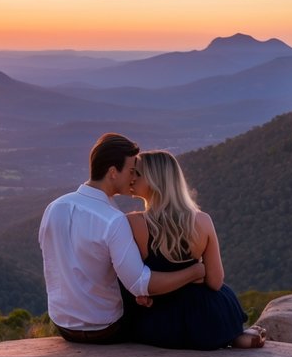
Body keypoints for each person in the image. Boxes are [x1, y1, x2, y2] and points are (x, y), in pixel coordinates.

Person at [39, 133, 209, 344]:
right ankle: (226, 335)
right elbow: (140, 283)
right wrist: (196, 271)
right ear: (112, 172)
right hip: (106, 328)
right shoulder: (113, 220)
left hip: (64, 326)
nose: (133, 178)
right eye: (130, 171)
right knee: (163, 302)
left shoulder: (54, 208)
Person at [126, 149, 266, 350]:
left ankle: (232, 338)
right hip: (208, 314)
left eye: (137, 174)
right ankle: (234, 336)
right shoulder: (202, 220)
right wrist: (196, 272)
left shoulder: (133, 223)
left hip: (162, 318)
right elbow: (215, 282)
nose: (132, 179)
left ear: (154, 180)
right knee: (214, 328)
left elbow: (131, 278)